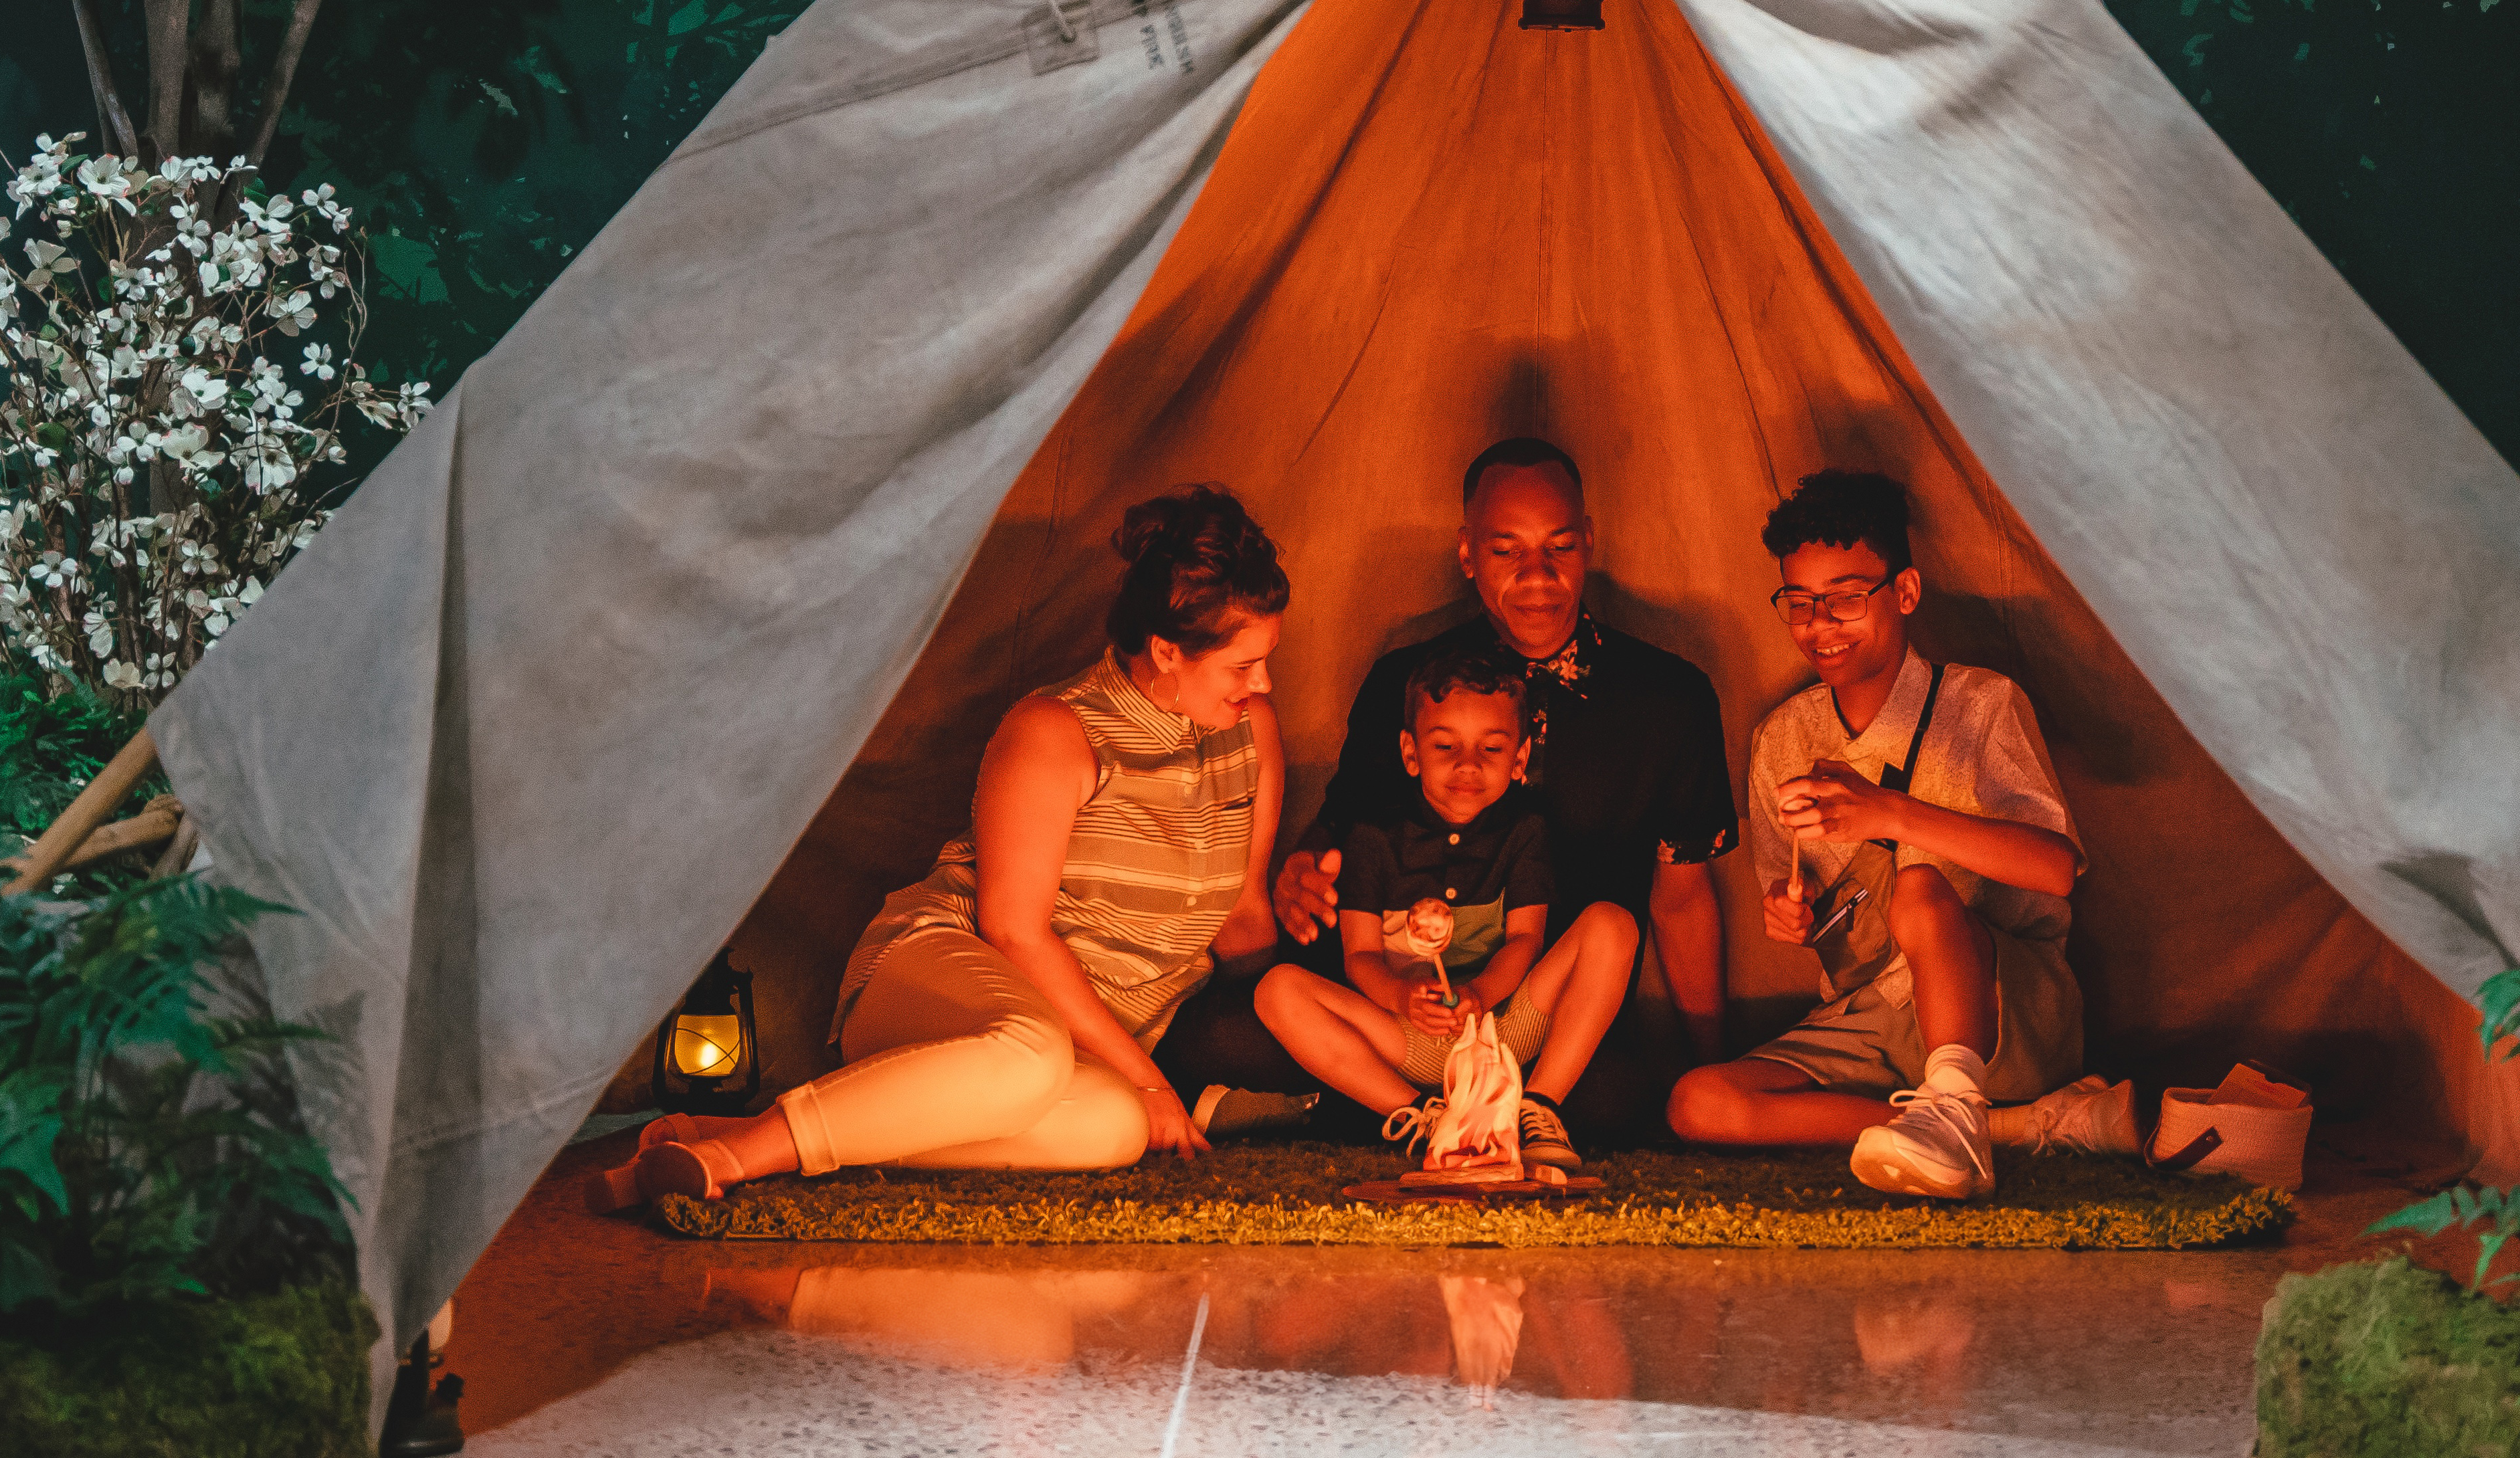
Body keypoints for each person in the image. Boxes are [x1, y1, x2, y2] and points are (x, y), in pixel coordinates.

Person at [589, 490, 1289, 1211]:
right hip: (943, 972)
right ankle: (732, 1157)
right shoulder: (1057, 731)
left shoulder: (1251, 734)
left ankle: (742, 1133)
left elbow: (1243, 920)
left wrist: (1293, 1003)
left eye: (1266, 660)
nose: (1261, 683)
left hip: (1081, 1057)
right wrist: (1147, 1077)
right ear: (1168, 650)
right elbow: (1013, 931)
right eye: (1241, 667)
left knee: (1111, 1129)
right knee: (1034, 1052)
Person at [1159, 437, 1741, 1132]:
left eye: (1558, 546)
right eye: (1506, 550)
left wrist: (1712, 1060)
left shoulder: (1668, 698)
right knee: (1215, 1036)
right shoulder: (1409, 681)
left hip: (1546, 1012)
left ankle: (1340, 1109)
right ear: (1467, 553)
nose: (1537, 575)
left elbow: (1681, 901)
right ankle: (1401, 1108)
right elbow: (1342, 829)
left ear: (1588, 541)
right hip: (1399, 1005)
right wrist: (1302, 871)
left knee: (1622, 1098)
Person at [1666, 470, 2088, 1201]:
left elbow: (2056, 870)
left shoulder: (1981, 704)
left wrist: (1892, 814)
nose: (1820, 623)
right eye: (1799, 602)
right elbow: (1797, 892)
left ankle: (1962, 1099)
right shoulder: (1784, 737)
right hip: (1870, 1019)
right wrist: (1786, 911)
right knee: (1698, 1102)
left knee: (1921, 891)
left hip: (2001, 1009)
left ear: (1905, 593)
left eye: (1846, 597)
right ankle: (2003, 1128)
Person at [1251, 636, 1644, 1169]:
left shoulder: (1525, 831)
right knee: (1278, 991)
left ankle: (1536, 1108)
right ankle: (1427, 1120)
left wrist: (1482, 992)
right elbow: (1360, 957)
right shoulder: (1373, 838)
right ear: (1411, 754)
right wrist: (1400, 995)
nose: (1467, 766)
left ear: (1520, 758)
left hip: (1503, 1028)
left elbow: (1525, 939)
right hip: (1407, 1036)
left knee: (1612, 924)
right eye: (1445, 747)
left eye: (1492, 748)